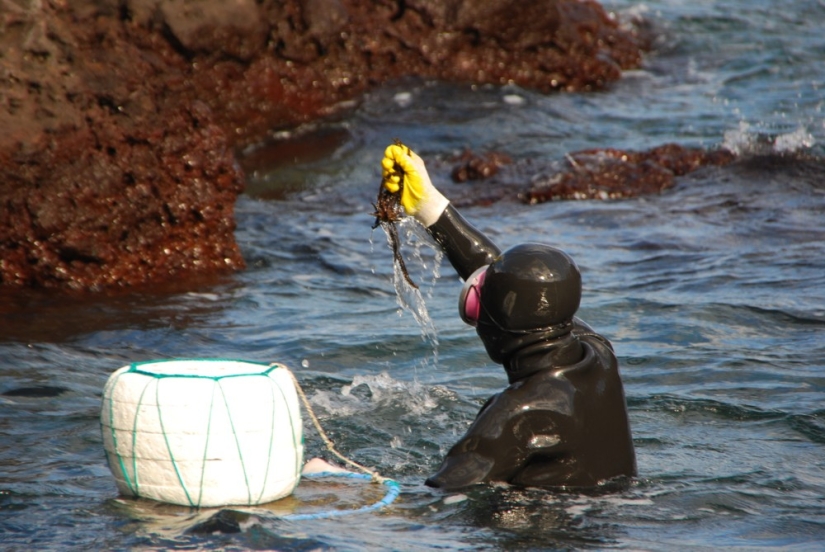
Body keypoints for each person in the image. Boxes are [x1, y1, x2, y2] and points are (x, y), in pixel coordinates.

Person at [381, 143, 636, 490]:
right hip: (614, 515)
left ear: (498, 325)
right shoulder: (599, 354)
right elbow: (511, 282)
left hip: (546, 523)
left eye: (475, 307)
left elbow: (434, 499)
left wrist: (337, 486)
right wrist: (430, 207)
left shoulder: (515, 413)